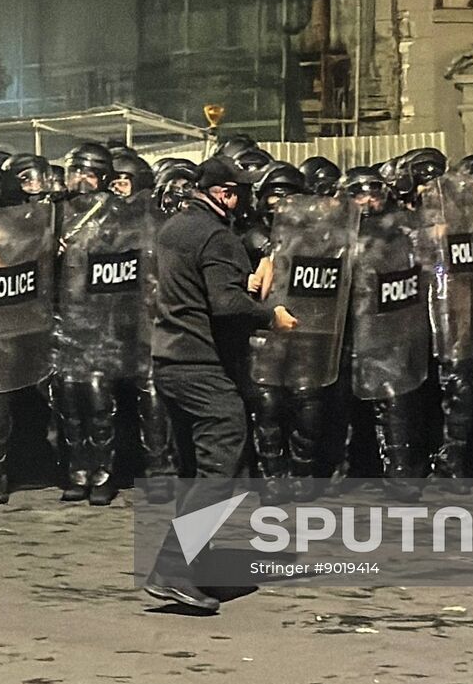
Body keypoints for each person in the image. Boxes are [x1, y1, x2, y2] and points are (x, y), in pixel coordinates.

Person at [144, 155, 297, 614]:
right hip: (203, 366)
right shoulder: (217, 235)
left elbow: (200, 291)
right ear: (226, 194)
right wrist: (270, 313)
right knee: (220, 467)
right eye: (239, 194)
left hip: (168, 361)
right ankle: (173, 567)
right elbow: (226, 305)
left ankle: (195, 562)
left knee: (193, 469)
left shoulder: (172, 229)